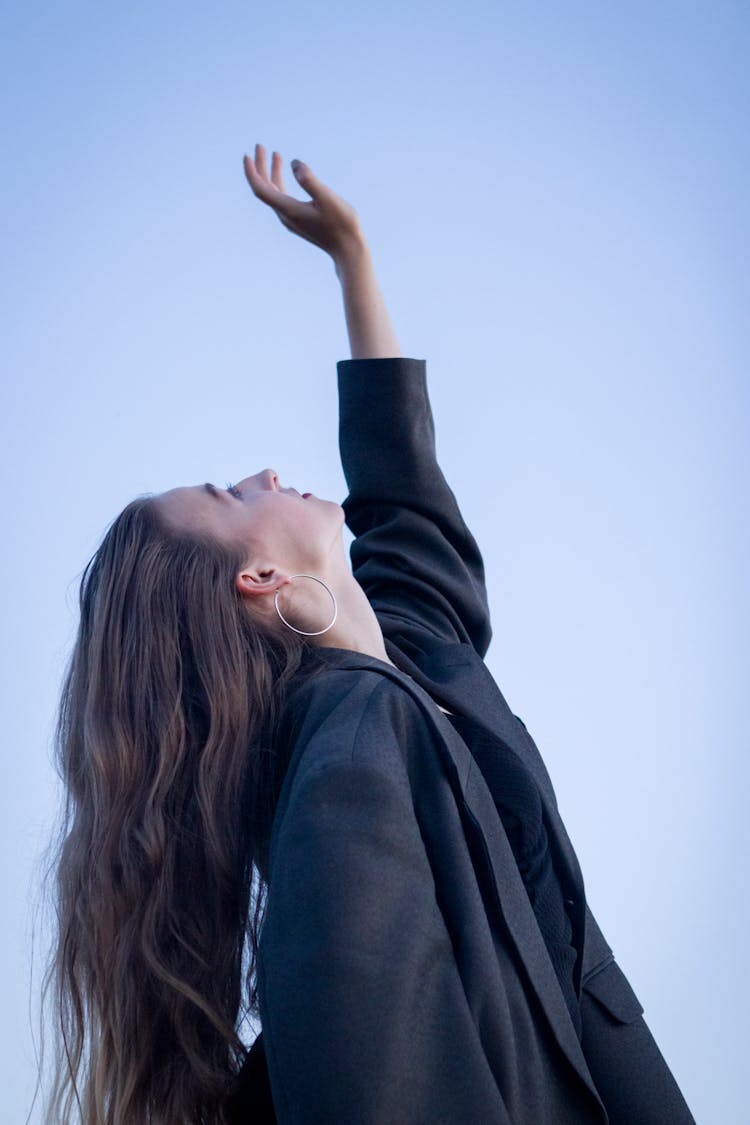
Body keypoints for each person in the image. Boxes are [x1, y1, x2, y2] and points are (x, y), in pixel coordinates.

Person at [42, 144, 696, 1124]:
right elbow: (375, 1072)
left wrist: (352, 259)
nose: (264, 471)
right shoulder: (344, 758)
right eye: (231, 494)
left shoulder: (409, 675)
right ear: (258, 578)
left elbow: (413, 520)